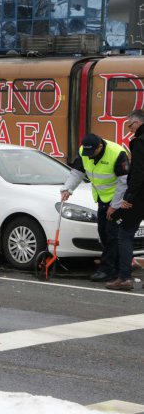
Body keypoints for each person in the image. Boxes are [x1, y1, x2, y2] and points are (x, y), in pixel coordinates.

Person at [60, 133, 129, 282]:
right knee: (103, 233)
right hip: (101, 198)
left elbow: (124, 182)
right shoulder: (84, 151)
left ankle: (107, 270)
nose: (89, 156)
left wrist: (115, 206)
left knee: (112, 234)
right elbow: (77, 172)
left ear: (100, 146)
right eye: (87, 153)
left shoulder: (116, 153)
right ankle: (117, 267)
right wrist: (68, 189)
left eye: (92, 153)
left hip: (116, 199)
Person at [106, 110, 144, 290]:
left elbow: (138, 173)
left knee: (125, 233)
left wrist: (127, 198)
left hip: (140, 196)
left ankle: (124, 278)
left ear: (138, 123)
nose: (130, 129)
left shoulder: (139, 142)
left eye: (130, 125)